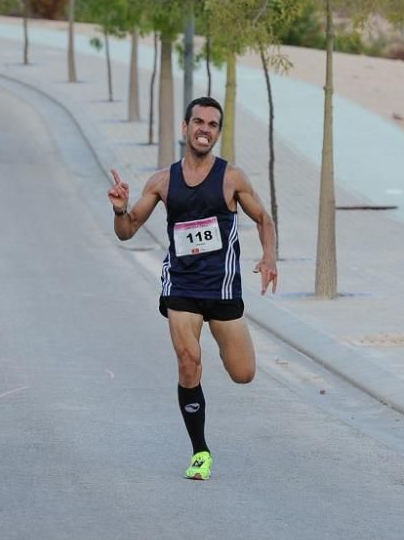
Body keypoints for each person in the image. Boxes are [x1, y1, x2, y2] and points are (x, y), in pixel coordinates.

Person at [108, 96, 278, 481]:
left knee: (243, 373)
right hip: (181, 284)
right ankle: (200, 451)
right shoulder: (163, 181)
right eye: (198, 121)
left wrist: (269, 258)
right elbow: (127, 231)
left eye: (212, 124)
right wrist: (120, 208)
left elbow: (264, 220)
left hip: (222, 288)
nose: (204, 128)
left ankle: (218, 344)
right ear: (185, 128)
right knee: (188, 360)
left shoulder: (232, 178)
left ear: (218, 133)